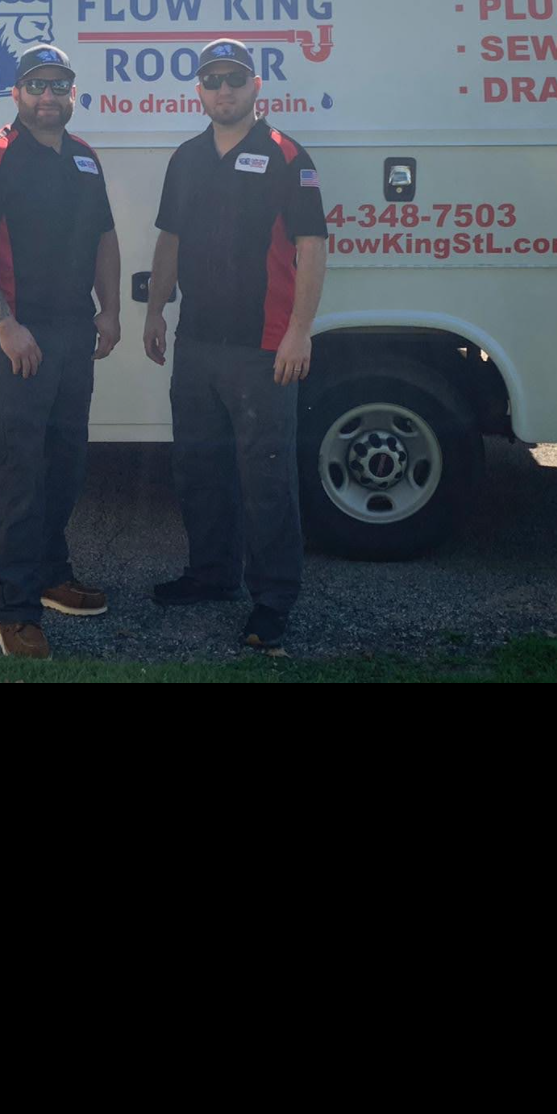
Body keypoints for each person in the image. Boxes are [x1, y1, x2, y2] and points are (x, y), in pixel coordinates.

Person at [143, 39, 328, 655]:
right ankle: (210, 576)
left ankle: (273, 600)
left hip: (263, 348)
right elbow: (169, 239)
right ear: (199, 90)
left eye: (235, 79)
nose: (224, 89)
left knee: (267, 478)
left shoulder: (287, 157)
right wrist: (155, 312)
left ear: (256, 88)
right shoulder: (188, 158)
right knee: (198, 469)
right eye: (213, 79)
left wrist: (299, 330)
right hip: (196, 342)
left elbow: (311, 249)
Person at [0, 45, 122, 660]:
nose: (49, 96)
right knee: (11, 475)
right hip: (13, 340)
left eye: (60, 85)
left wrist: (112, 309)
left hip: (74, 335)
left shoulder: (84, 158)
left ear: (73, 93)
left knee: (63, 463)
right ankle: (14, 610)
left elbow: (104, 234)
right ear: (16, 94)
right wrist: (5, 325)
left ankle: (50, 575)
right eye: (37, 85)